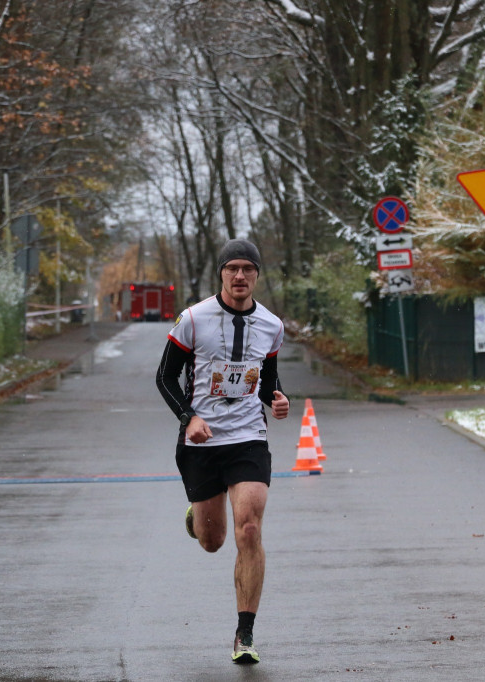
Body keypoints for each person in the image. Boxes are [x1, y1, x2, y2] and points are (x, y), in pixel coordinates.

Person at [155, 238, 290, 665]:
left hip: (248, 438)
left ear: (257, 275)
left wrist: (277, 398)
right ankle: (198, 516)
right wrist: (188, 417)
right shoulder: (193, 319)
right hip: (202, 441)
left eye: (248, 269)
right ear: (221, 273)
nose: (240, 276)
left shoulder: (271, 325)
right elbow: (165, 378)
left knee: (249, 529)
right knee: (212, 541)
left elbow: (267, 380)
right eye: (232, 268)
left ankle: (244, 634)